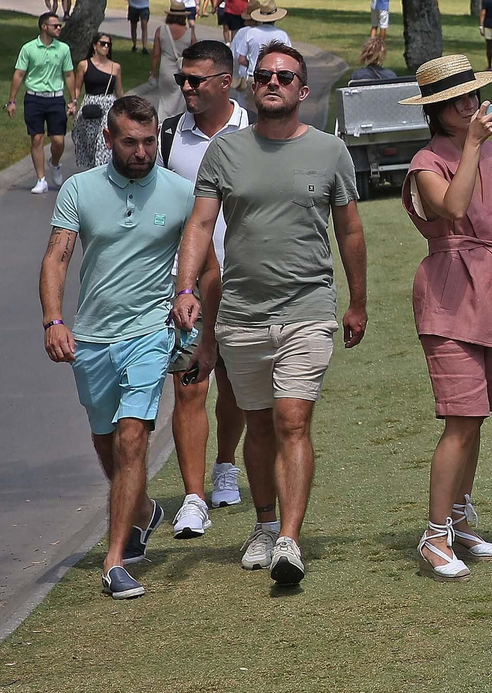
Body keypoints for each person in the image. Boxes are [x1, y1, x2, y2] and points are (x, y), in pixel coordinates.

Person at [173, 43, 368, 586]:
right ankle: (263, 525)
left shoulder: (330, 151)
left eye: (284, 76)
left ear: (303, 90)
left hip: (308, 308)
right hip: (241, 312)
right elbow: (199, 225)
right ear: (251, 84)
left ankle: (289, 538)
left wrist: (358, 302)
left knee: (292, 420)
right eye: (264, 76)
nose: (273, 83)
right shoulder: (225, 151)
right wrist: (185, 287)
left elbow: (350, 230)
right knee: (257, 426)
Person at [40, 95, 214, 599]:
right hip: (93, 337)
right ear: (109, 139)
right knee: (106, 438)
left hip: (151, 332)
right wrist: (53, 320)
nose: (141, 152)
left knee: (133, 437)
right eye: (130, 142)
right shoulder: (79, 189)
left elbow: (208, 267)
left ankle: (114, 559)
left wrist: (196, 311)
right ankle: (142, 510)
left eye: (149, 142)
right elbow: (56, 259)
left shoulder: (181, 192)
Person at [401, 57, 492, 580]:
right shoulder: (426, 162)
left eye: (471, 95)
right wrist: (474, 145)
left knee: (476, 417)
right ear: (434, 110)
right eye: (453, 99)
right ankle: (434, 536)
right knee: (459, 418)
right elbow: (453, 210)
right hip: (448, 295)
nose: (467, 104)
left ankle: (457, 521)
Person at [158, 39, 251, 535]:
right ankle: (193, 498)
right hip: (187, 286)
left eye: (196, 80)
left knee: (235, 384)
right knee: (189, 384)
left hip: (243, 283)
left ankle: (226, 464)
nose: (187, 88)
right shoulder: (169, 136)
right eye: (182, 79)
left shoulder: (254, 131)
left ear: (225, 81)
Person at [6, 11, 77, 195]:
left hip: (56, 98)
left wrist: (73, 100)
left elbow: (69, 74)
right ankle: (41, 179)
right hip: (34, 98)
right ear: (44, 27)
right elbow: (19, 74)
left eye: (60, 25)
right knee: (37, 138)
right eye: (56, 25)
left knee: (58, 140)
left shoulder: (63, 49)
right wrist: (12, 101)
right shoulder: (28, 48)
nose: (59, 28)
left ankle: (55, 163)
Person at [72, 33, 122, 172]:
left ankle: (102, 171)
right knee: (90, 141)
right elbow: (77, 87)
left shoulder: (115, 67)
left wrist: (124, 107)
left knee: (104, 142)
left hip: (109, 106)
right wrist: (73, 102)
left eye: (108, 44)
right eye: (102, 43)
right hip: (90, 105)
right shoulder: (84, 65)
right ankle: (93, 170)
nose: (106, 46)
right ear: (95, 45)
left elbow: (119, 91)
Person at [230, 0, 292, 89]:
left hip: (254, 76)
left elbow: (241, 59)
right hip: (275, 78)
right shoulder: (282, 35)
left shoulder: (250, 33)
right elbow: (288, 58)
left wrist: (252, 64)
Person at [150, 3, 194, 119]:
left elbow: (155, 54)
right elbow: (195, 55)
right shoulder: (189, 33)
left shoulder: (161, 30)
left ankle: (162, 122)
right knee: (180, 103)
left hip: (166, 70)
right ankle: (177, 123)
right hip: (182, 72)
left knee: (164, 101)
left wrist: (153, 72)